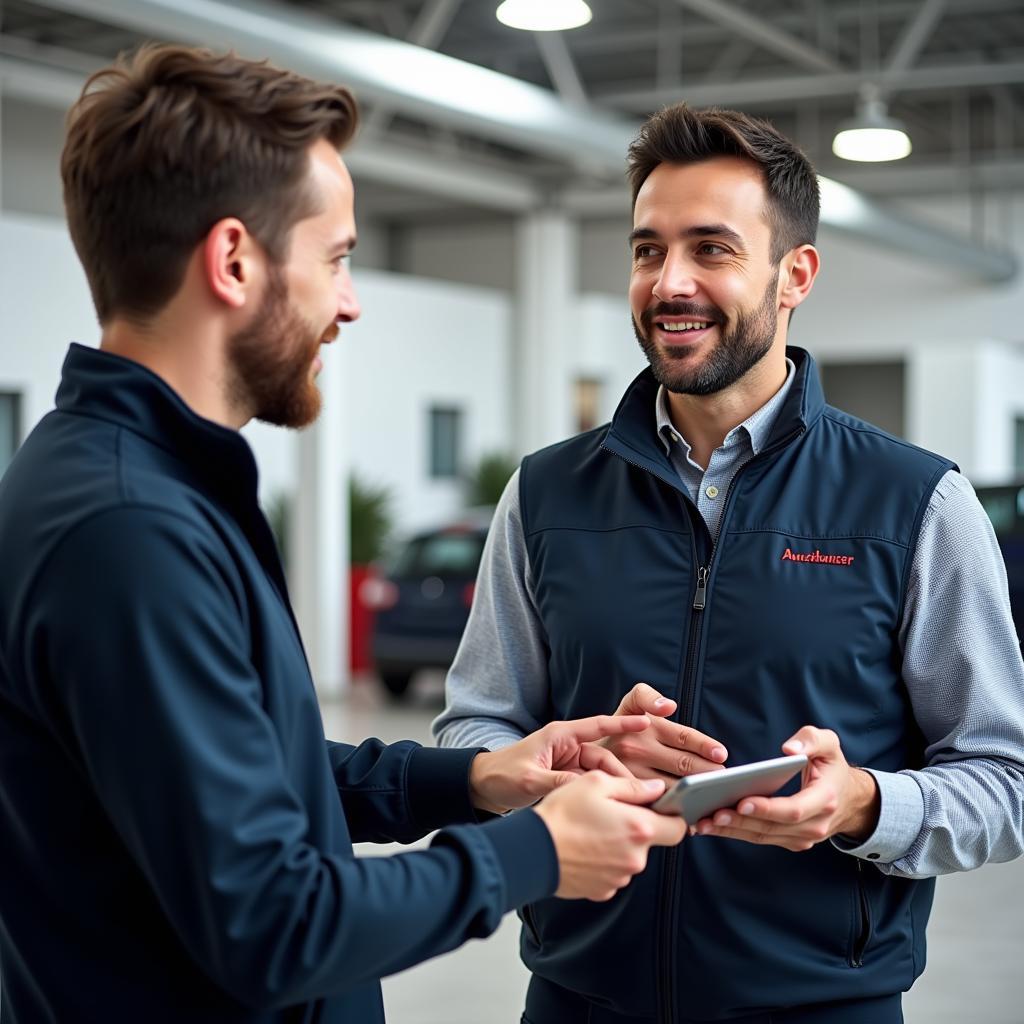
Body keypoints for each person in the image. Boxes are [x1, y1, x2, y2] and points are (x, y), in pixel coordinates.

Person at [0, 46, 690, 1023]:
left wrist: (479, 778)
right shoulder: (126, 530)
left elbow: (246, 770)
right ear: (233, 260)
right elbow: (274, 922)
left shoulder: (143, 486)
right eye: (336, 259)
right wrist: (535, 852)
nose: (350, 302)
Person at [434, 102, 1024, 1024]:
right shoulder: (546, 496)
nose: (670, 282)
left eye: (711, 249)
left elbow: (1004, 778)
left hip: (824, 1006)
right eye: (646, 249)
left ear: (796, 275)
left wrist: (863, 805)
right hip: (580, 998)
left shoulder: (915, 503)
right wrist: (549, 773)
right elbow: (473, 733)